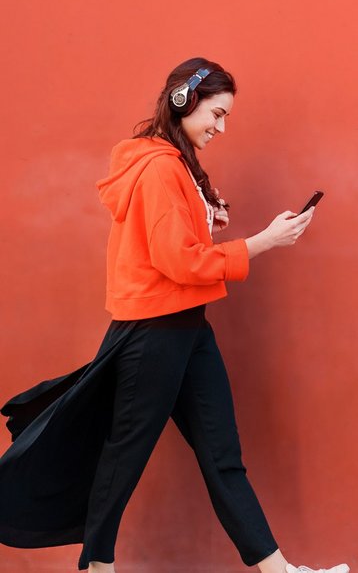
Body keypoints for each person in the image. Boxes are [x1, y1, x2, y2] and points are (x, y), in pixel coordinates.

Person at [0, 58, 349, 573]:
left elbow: (175, 248)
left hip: (187, 328)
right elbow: (178, 262)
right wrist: (262, 242)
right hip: (155, 334)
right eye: (218, 113)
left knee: (221, 456)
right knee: (123, 456)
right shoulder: (163, 167)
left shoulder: (175, 166)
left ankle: (282, 572)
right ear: (185, 101)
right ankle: (98, 567)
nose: (221, 127)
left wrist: (207, 215)